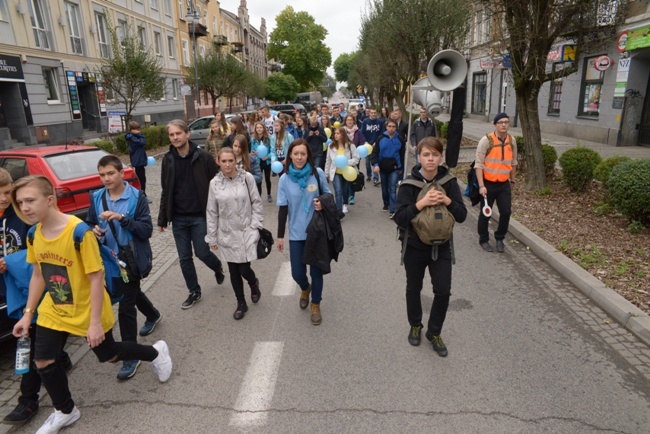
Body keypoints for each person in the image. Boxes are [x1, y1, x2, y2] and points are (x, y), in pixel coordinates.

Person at [11, 175, 172, 434]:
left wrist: (95, 323)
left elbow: (96, 278)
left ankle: (155, 353)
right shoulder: (33, 234)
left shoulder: (78, 232)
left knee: (109, 356)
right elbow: (39, 275)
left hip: (88, 308)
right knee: (42, 361)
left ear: (50, 200)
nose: (25, 207)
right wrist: (28, 314)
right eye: (20, 202)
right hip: (54, 308)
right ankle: (65, 410)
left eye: (30, 200)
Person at [0, 168, 72, 426]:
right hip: (12, 288)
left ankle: (28, 400)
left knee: (31, 345)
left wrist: (9, 261)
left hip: (36, 288)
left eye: (7, 192)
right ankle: (60, 357)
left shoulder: (24, 216)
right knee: (38, 339)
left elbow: (39, 256)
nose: (4, 199)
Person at [86, 155, 162, 381]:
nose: (106, 178)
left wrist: (121, 218)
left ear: (121, 173)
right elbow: (90, 222)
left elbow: (146, 230)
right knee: (132, 293)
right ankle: (153, 314)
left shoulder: (137, 197)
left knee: (126, 306)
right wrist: (94, 231)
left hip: (130, 260)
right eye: (102, 175)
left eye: (110, 173)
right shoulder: (97, 196)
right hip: (108, 261)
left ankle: (131, 355)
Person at [394, 137, 467, 357]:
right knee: (413, 288)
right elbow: (400, 217)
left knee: (443, 291)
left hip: (442, 247)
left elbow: (462, 216)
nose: (430, 159)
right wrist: (421, 203)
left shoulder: (449, 182)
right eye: (426, 155)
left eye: (435, 155)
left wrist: (446, 200)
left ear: (441, 157)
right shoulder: (408, 184)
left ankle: (434, 332)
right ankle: (415, 324)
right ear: (418, 157)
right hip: (415, 246)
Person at [158, 120, 225, 309]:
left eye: (178, 133)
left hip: (199, 216)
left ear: (187, 134)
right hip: (178, 217)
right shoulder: (168, 160)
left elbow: (216, 186)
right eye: (171, 135)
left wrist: (219, 214)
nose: (175, 138)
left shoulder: (203, 156)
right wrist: (163, 218)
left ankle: (217, 267)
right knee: (184, 258)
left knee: (203, 252)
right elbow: (165, 190)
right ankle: (194, 291)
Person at [276, 139, 331, 325]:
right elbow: (283, 209)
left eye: (303, 154)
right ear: (290, 155)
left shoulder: (317, 173)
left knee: (316, 272)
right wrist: (279, 236)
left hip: (316, 232)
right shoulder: (284, 179)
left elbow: (328, 194)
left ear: (308, 156)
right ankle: (305, 288)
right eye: (296, 154)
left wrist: (322, 202)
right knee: (297, 273)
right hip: (296, 233)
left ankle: (315, 304)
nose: (299, 157)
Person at [206, 147, 264, 320]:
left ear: (236, 160)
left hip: (246, 231)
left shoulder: (247, 178)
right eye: (223, 161)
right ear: (218, 161)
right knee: (233, 270)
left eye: (230, 160)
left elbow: (257, 203)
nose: (227, 164)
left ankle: (253, 283)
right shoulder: (214, 183)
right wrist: (212, 236)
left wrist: (255, 226)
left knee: (244, 268)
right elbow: (211, 211)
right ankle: (241, 303)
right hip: (227, 233)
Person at [475, 112, 518, 253]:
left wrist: (512, 180)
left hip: (504, 183)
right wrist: (481, 186)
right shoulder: (486, 141)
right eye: (500, 122)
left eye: (506, 122)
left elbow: (513, 162)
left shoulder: (512, 141)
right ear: (495, 124)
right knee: (485, 213)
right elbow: (478, 165)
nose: (504, 125)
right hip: (488, 183)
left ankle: (499, 238)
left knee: (506, 212)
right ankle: (484, 239)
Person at [370, 119, 403, 218]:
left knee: (392, 188)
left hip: (394, 168)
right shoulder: (380, 138)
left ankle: (393, 210)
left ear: (396, 128)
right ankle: (386, 203)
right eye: (390, 126)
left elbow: (402, 155)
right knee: (384, 188)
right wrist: (375, 164)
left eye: (393, 126)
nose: (391, 128)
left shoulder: (400, 139)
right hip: (382, 167)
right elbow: (375, 152)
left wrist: (401, 168)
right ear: (386, 127)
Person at [325, 127, 360, 216]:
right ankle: (338, 212)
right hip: (336, 172)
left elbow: (356, 158)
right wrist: (326, 173)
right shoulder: (331, 146)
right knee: (338, 191)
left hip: (347, 172)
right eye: (335, 133)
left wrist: (346, 163)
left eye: (338, 133)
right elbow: (328, 160)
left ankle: (345, 203)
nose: (336, 135)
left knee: (345, 190)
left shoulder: (350, 145)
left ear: (343, 135)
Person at [125, 121, 151, 203]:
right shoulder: (132, 137)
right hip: (137, 161)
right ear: (132, 130)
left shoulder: (134, 137)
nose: (139, 131)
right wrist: (138, 134)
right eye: (137, 129)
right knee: (141, 179)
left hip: (140, 161)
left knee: (141, 178)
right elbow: (142, 142)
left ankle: (141, 194)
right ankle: (142, 195)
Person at [343, 114, 365, 205]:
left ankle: (352, 195)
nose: (349, 121)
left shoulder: (357, 131)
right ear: (345, 121)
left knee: (353, 176)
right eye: (348, 120)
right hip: (344, 157)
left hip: (355, 156)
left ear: (353, 121)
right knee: (345, 177)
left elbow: (362, 141)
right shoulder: (342, 131)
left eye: (351, 120)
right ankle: (346, 194)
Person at [361, 108, 385, 186]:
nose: (373, 114)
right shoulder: (365, 122)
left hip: (376, 145)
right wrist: (365, 141)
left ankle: (376, 178)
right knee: (367, 163)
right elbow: (362, 133)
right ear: (369, 113)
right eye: (372, 113)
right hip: (367, 145)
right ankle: (369, 175)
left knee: (375, 162)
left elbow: (381, 133)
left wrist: (376, 142)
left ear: (377, 113)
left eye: (375, 113)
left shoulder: (380, 122)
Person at [250, 122, 273, 201]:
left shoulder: (268, 139)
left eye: (260, 127)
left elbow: (272, 150)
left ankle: (269, 194)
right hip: (258, 162)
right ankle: (259, 197)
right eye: (257, 128)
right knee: (258, 180)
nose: (259, 129)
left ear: (263, 129)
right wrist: (254, 153)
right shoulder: (253, 139)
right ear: (255, 129)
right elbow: (252, 151)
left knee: (267, 179)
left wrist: (268, 157)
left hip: (266, 162)